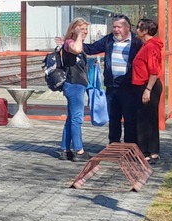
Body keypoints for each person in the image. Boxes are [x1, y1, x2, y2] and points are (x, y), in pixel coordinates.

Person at [83, 14, 143, 145]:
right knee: (114, 118)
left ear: (128, 27)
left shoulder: (137, 42)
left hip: (129, 87)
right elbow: (91, 49)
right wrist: (71, 42)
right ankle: (113, 145)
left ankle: (130, 146)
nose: (116, 30)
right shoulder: (109, 40)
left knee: (130, 119)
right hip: (112, 86)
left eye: (119, 27)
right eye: (114, 27)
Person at [131, 18, 164, 162]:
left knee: (149, 118)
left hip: (148, 85)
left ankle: (152, 152)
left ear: (145, 31)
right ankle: (145, 151)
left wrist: (148, 89)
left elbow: (154, 71)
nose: (136, 30)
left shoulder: (151, 47)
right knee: (143, 119)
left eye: (139, 27)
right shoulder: (145, 45)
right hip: (141, 85)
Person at [59, 18, 90, 161]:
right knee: (77, 118)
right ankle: (79, 151)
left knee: (71, 118)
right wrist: (77, 35)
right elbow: (76, 49)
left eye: (85, 29)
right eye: (82, 29)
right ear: (74, 29)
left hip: (78, 85)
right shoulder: (70, 43)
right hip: (73, 85)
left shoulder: (76, 43)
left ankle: (65, 149)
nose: (85, 32)